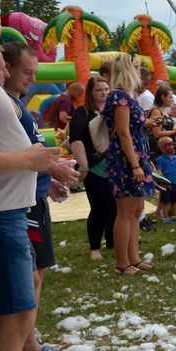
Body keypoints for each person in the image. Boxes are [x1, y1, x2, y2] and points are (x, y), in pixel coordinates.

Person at [0, 41, 61, 351]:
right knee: (16, 317)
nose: (4, 68)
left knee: (15, 317)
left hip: (11, 213)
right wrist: (27, 159)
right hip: (3, 217)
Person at [3, 41, 79, 351]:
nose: (32, 79)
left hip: (31, 197)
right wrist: (53, 169)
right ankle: (26, 347)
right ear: (6, 67)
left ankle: (23, 345)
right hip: (17, 206)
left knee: (35, 273)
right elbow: (25, 156)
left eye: (35, 73)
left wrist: (48, 184)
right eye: (26, 72)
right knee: (29, 279)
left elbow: (27, 155)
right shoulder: (7, 105)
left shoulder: (15, 105)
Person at [103, 53, 155, 275]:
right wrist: (135, 165)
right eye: (137, 67)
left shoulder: (127, 96)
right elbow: (123, 133)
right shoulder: (119, 97)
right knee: (125, 212)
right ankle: (122, 262)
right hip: (125, 160)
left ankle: (134, 258)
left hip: (135, 157)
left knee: (136, 211)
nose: (140, 72)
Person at [69, 76, 116, 260]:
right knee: (99, 208)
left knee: (115, 206)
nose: (103, 93)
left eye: (106, 89)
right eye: (99, 90)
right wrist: (84, 166)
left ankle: (113, 241)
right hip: (94, 167)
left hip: (114, 166)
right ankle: (94, 247)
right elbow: (76, 140)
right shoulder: (82, 113)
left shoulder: (112, 110)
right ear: (91, 92)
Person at [148, 86, 176, 163]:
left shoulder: (164, 112)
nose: (172, 100)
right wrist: (174, 131)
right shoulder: (157, 111)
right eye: (170, 97)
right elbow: (157, 133)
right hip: (162, 151)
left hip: (169, 149)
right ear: (163, 97)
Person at [155, 137, 176, 223]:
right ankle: (166, 217)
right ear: (162, 148)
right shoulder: (160, 159)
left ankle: (174, 215)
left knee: (174, 200)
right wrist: (164, 184)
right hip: (165, 184)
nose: (170, 147)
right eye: (167, 145)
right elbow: (159, 173)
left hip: (175, 183)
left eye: (171, 145)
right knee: (165, 201)